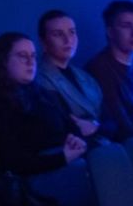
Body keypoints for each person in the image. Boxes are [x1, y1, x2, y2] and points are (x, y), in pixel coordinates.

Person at [0, 32, 93, 206]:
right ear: (3, 61)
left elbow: (70, 126)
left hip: (62, 164)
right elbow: (12, 160)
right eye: (22, 56)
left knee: (109, 162)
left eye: (33, 56)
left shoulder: (41, 94)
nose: (31, 62)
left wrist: (75, 141)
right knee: (102, 181)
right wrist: (63, 158)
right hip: (29, 180)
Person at [85, 0, 133, 140]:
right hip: (129, 145)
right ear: (110, 32)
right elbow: (118, 120)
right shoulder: (99, 68)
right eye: (126, 26)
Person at [35, 10, 109, 138]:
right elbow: (64, 123)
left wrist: (95, 126)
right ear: (43, 42)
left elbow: (109, 118)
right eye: (58, 34)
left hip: (102, 140)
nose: (68, 39)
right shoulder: (39, 79)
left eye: (72, 32)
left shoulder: (85, 76)